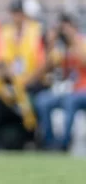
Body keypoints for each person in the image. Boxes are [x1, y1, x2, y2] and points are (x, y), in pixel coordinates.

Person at [35, 13, 86, 150]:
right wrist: (51, 43)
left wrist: (72, 41)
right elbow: (44, 70)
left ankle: (65, 142)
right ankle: (50, 142)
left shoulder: (81, 42)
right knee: (42, 101)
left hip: (82, 89)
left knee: (70, 101)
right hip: (66, 90)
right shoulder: (60, 48)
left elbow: (84, 60)